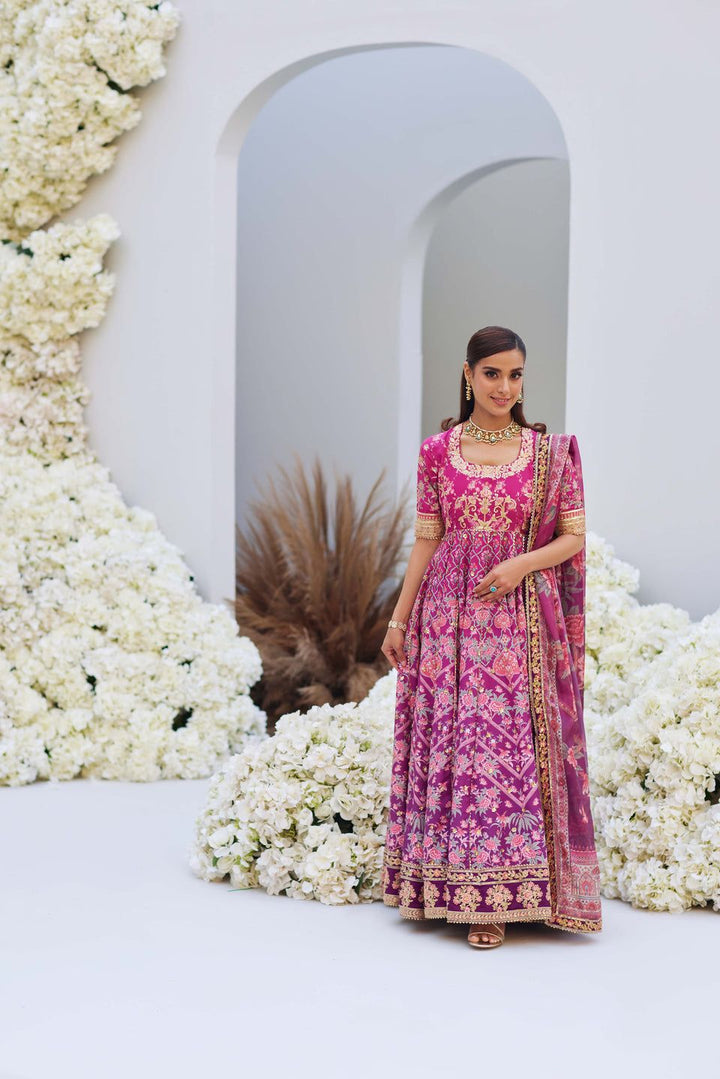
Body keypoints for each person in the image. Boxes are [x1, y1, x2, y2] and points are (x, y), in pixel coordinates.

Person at [380, 326, 602, 948]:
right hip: (447, 618)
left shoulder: (549, 453)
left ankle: (509, 892)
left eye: (516, 375)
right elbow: (426, 538)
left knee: (507, 749)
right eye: (493, 374)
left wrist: (520, 566)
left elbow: (573, 538)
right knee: (457, 741)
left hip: (521, 619)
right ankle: (456, 889)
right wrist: (399, 619)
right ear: (469, 374)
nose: (506, 387)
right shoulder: (435, 451)